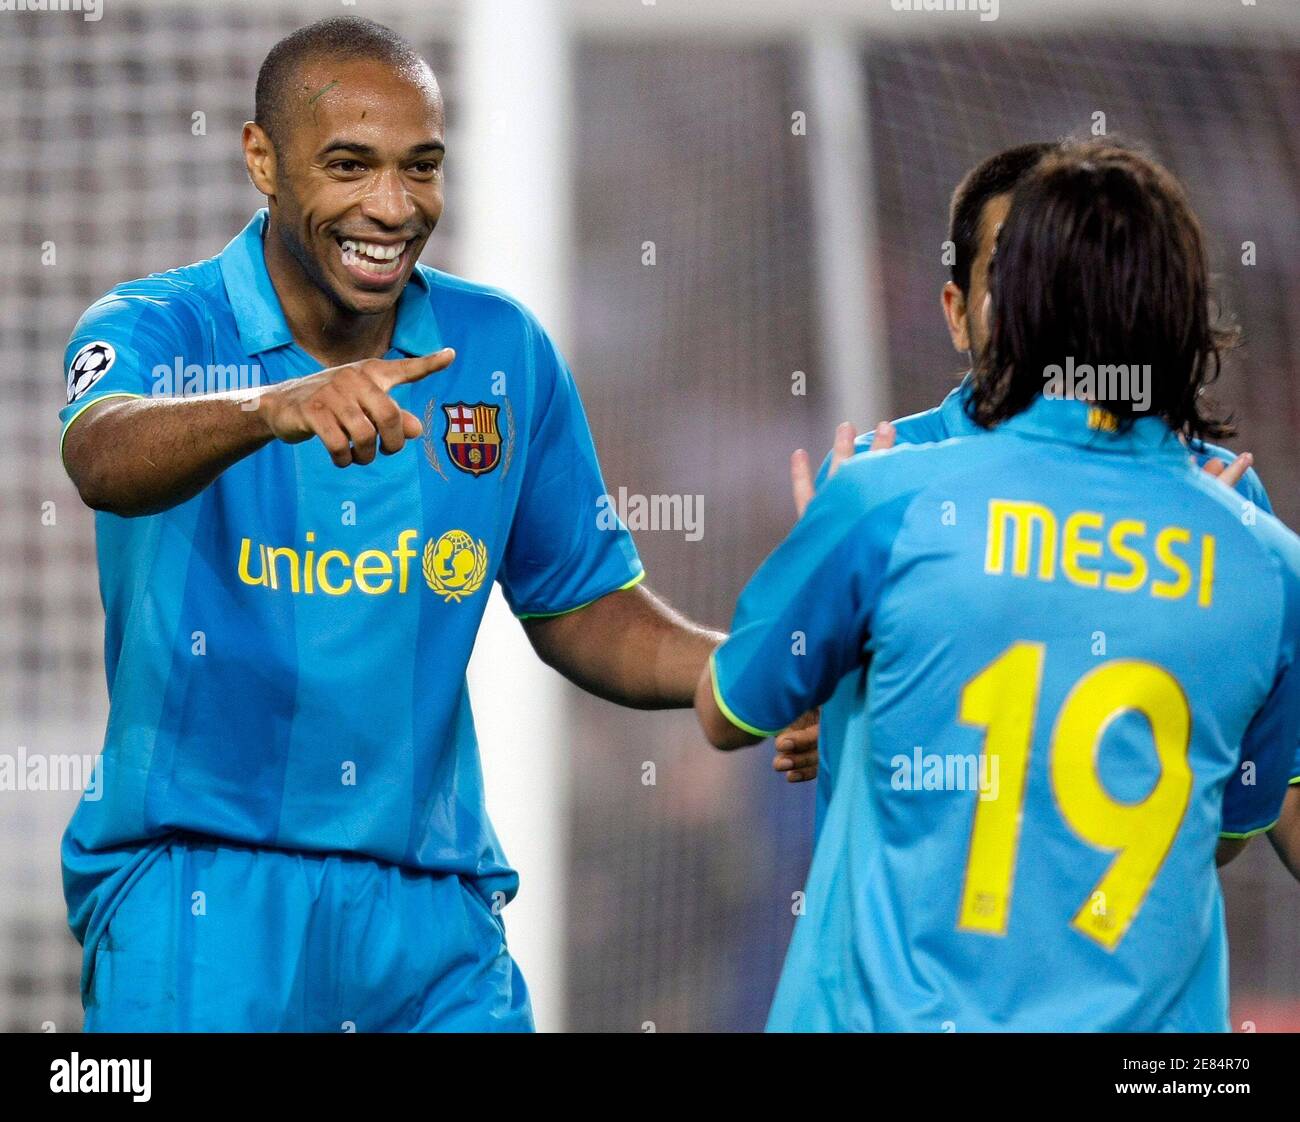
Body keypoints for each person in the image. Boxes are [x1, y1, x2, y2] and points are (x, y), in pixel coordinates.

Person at [59, 16, 816, 1032]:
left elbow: (581, 605)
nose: (390, 205)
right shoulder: (157, 325)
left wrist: (738, 667)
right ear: (261, 161)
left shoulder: (497, 351)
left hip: (429, 914)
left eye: (420, 167)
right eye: (347, 165)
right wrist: (269, 408)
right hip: (199, 892)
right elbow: (101, 453)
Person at [698, 143, 1300, 1030]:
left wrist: (827, 643)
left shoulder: (881, 497)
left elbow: (724, 712)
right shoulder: (1264, 558)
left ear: (1008, 305)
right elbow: (1219, 828)